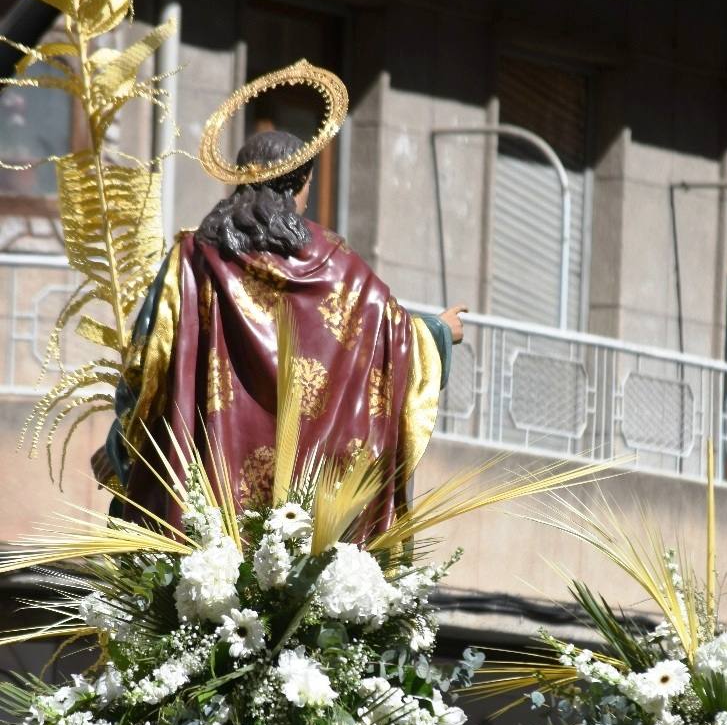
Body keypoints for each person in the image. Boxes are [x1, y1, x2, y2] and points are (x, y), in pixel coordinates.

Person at [94, 125, 467, 535]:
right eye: (309, 182)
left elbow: (148, 366)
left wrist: (121, 445)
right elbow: (387, 339)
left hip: (204, 504)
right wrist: (437, 333)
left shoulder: (192, 259)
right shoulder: (340, 269)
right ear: (300, 182)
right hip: (307, 521)